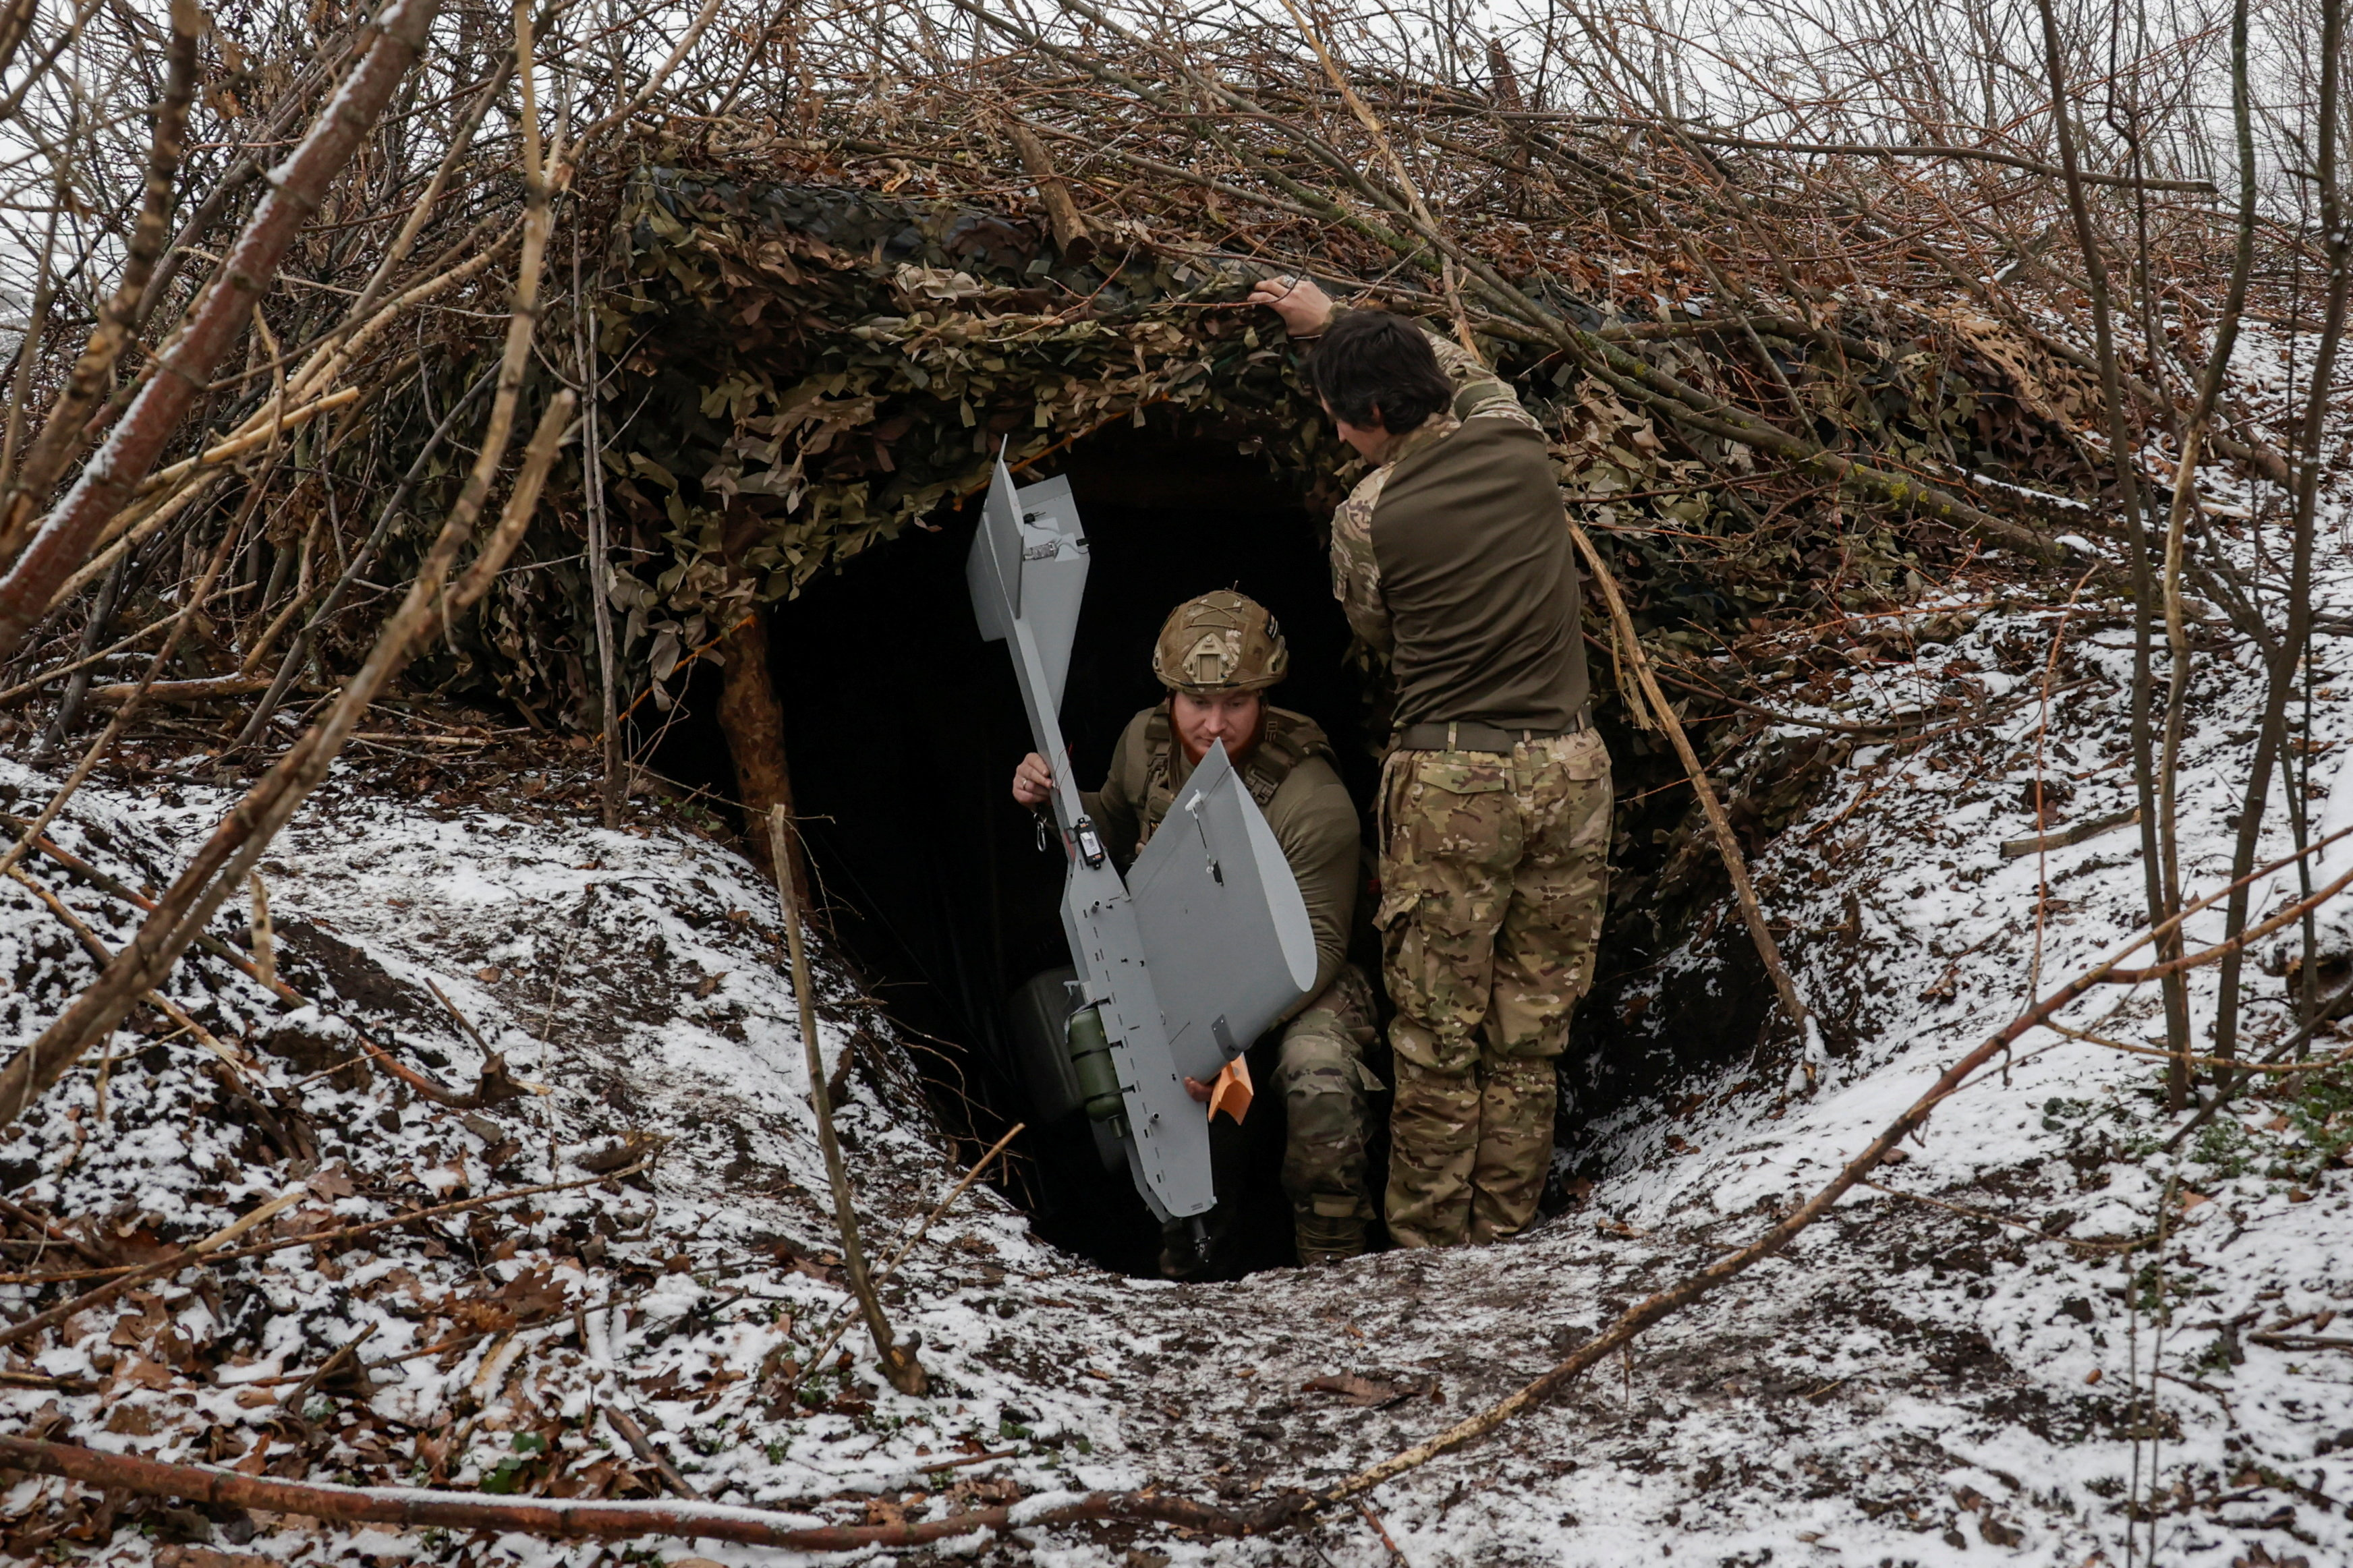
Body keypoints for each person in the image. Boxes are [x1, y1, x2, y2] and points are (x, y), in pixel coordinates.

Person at [1246, 274, 1611, 1250]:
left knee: (1438, 1040)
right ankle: (1502, 1235)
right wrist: (1339, 325)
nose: (1334, 438)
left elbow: (1372, 631)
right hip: (1572, 773)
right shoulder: (1518, 440)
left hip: (1455, 783)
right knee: (1532, 1033)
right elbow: (1470, 369)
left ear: (1371, 414)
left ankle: (1426, 1257)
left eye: (1338, 419)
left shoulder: (1367, 517)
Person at [1011, 590, 1382, 1268]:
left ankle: (1333, 1270)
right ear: (1170, 697)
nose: (1214, 724)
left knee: (1316, 1072)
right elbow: (1109, 826)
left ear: (1264, 699)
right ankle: (1191, 1264)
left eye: (1235, 703)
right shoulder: (1146, 745)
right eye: (1196, 703)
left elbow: (1320, 950)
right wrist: (1052, 796)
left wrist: (1222, 1041)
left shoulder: (1311, 796)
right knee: (1153, 1086)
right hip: (1189, 961)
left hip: (1301, 981)